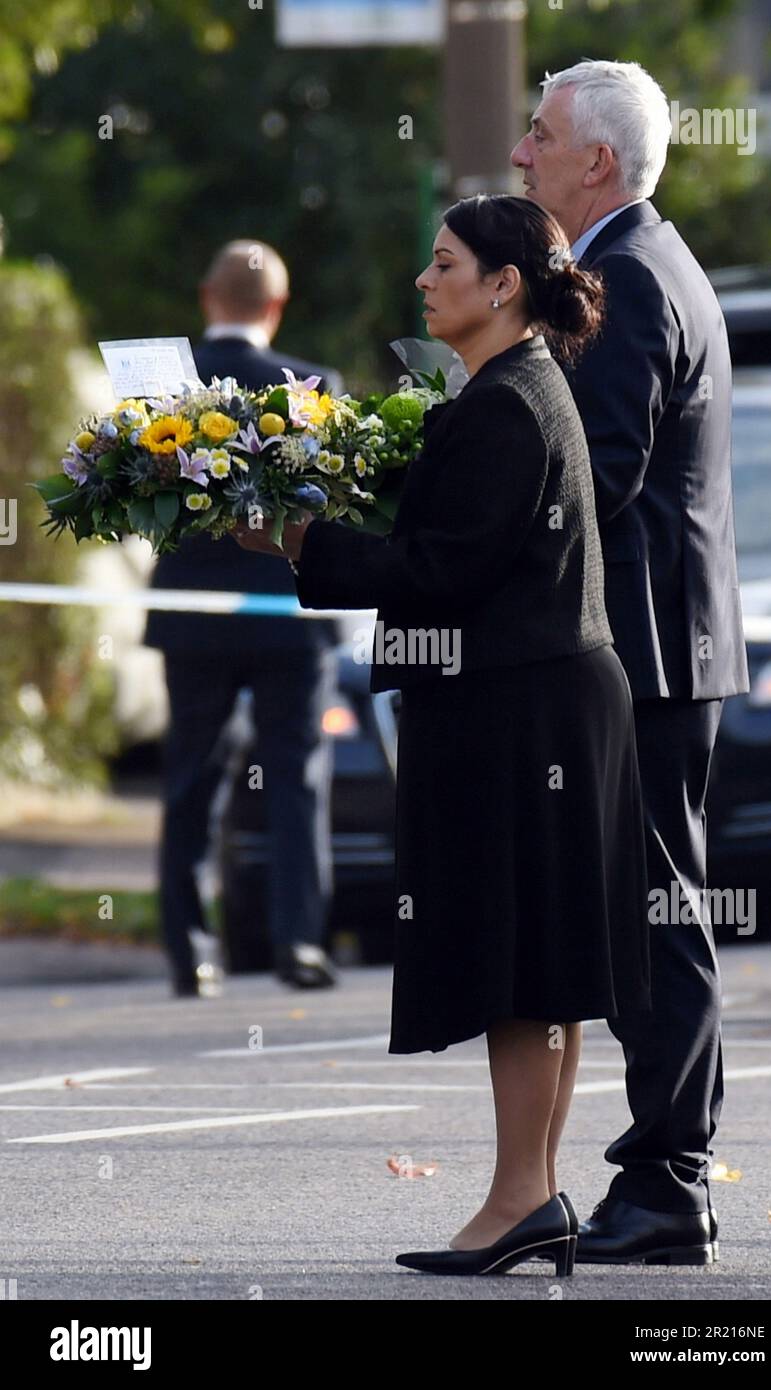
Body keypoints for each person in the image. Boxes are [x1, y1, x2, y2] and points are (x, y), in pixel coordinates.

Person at [233, 194, 651, 1277]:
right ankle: (537, 1194)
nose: (424, 281)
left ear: (501, 283)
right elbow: (450, 536)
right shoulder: (509, 388)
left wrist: (298, 543)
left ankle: (521, 1195)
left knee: (521, 962)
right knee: (545, 961)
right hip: (544, 701)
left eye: (444, 261)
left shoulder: (508, 402)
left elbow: (442, 570)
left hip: (526, 712)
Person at [511, 59, 750, 1265]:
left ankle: (667, 1180)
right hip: (658, 639)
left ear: (593, 159)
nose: (519, 154)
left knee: (657, 914)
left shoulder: (623, 277)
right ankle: (666, 1172)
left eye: (538, 134)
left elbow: (590, 479)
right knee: (652, 908)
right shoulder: (640, 261)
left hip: (646, 645)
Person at [143, 240, 344, 997]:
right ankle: (298, 942)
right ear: (277, 307)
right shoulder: (310, 384)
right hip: (288, 614)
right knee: (297, 778)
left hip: (192, 615)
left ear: (207, 296)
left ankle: (190, 951)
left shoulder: (163, 388)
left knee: (192, 777)